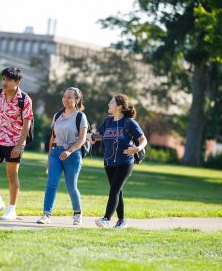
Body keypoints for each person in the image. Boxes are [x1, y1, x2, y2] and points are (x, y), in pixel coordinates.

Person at [87, 94, 147, 228]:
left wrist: (137, 148)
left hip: (125, 162)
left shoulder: (129, 122)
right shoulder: (107, 121)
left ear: (119, 106)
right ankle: (122, 220)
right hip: (109, 162)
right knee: (117, 190)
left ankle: (106, 219)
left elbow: (144, 140)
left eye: (111, 102)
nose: (109, 104)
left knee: (114, 190)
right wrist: (86, 135)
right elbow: (99, 136)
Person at [0, 67, 34, 220]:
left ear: (17, 82)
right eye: (3, 79)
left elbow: (27, 124)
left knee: (12, 174)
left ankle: (12, 209)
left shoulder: (24, 99)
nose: (4, 82)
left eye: (9, 80)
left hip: (14, 140)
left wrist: (19, 145)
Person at [37, 87, 88, 225]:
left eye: (69, 97)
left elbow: (82, 139)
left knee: (71, 185)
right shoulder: (57, 115)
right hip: (55, 153)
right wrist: (49, 157)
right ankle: (46, 214)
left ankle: (77, 213)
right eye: (64, 96)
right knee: (51, 183)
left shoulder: (80, 117)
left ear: (77, 100)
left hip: (73, 153)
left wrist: (69, 151)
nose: (66, 99)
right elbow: (52, 138)